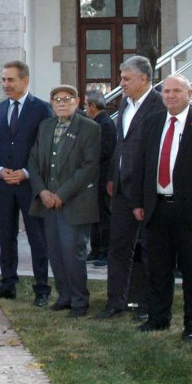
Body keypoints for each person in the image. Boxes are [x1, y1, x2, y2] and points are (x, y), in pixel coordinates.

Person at [132, 75, 192, 340]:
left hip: (191, 212)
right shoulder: (152, 122)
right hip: (156, 208)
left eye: (176, 91)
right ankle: (158, 317)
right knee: (158, 268)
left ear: (189, 93)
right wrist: (138, 201)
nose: (170, 96)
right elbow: (141, 165)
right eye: (166, 91)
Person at [95, 56, 164, 321]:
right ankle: (116, 301)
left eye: (126, 79)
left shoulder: (159, 105)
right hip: (122, 188)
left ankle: (148, 304)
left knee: (149, 249)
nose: (121, 83)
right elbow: (121, 143)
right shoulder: (125, 102)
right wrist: (114, 175)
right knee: (118, 246)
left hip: (147, 189)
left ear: (144, 78)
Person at [28, 85, 100, 317]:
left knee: (73, 253)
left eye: (66, 99)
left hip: (75, 203)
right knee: (56, 252)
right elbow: (33, 162)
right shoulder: (45, 127)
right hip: (48, 203)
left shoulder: (90, 128)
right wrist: (42, 192)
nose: (61, 103)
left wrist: (61, 194)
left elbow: (89, 167)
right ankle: (64, 296)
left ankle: (80, 301)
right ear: (51, 103)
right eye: (56, 99)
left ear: (77, 102)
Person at [0, 60, 52, 305]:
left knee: (37, 238)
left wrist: (26, 172)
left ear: (25, 80)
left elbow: (45, 148)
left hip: (30, 186)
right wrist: (0, 170)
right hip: (4, 186)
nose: (5, 84)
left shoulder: (42, 109)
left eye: (10, 80)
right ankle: (7, 283)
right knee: (6, 236)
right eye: (3, 80)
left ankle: (42, 288)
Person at [83, 88, 117, 268]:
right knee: (94, 216)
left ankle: (106, 251)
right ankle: (95, 249)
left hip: (103, 177)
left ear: (93, 106)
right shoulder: (95, 123)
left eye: (86, 105)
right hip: (94, 178)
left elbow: (106, 152)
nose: (84, 109)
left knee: (104, 216)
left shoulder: (105, 124)